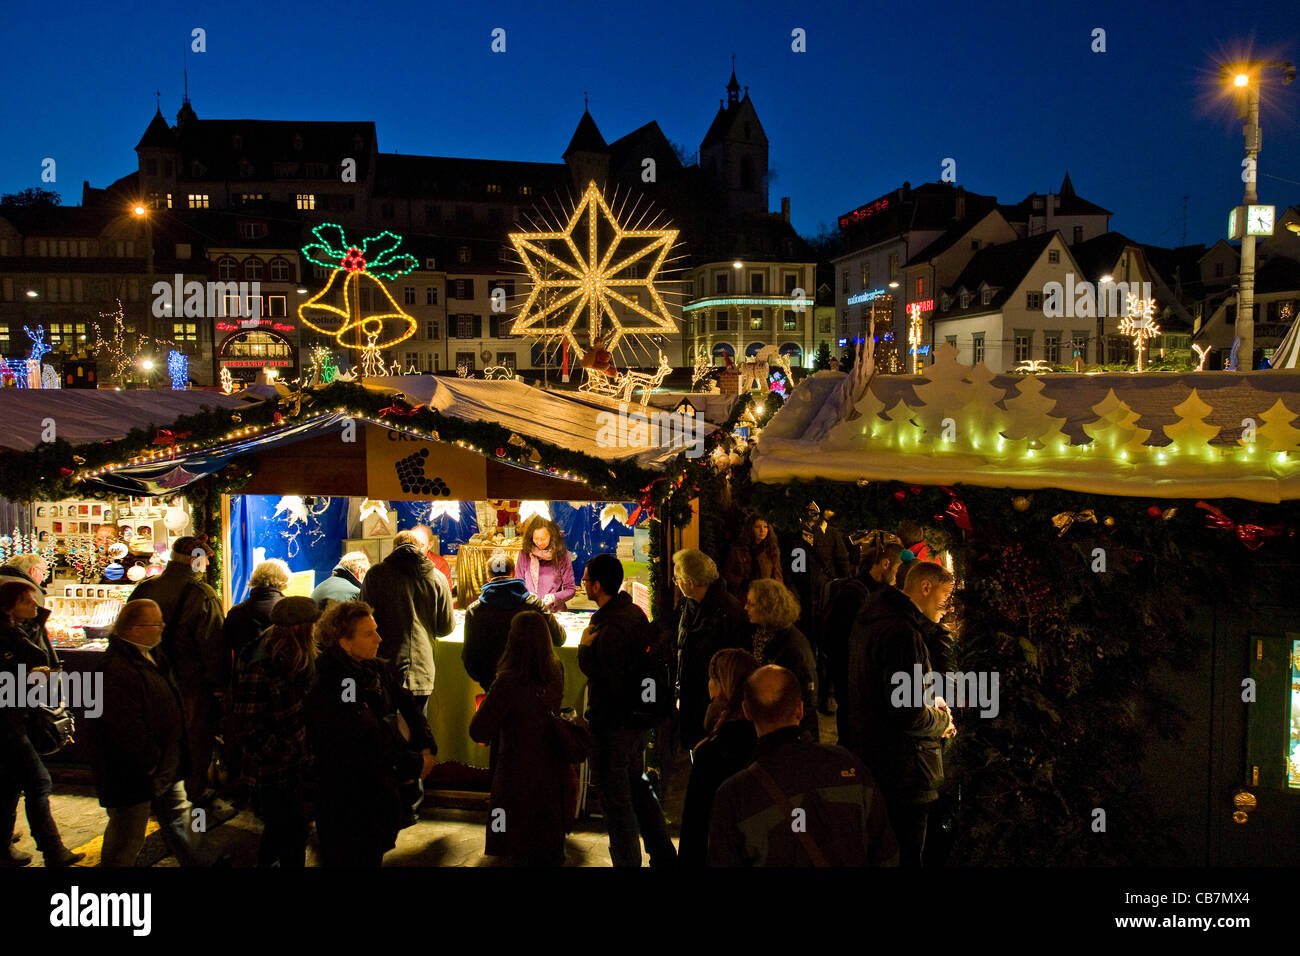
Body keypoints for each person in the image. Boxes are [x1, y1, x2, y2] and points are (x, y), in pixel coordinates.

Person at [706, 665, 898, 867]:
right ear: (799, 709)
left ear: (747, 712)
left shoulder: (734, 795)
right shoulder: (848, 764)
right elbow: (886, 852)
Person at [305, 600, 437, 867]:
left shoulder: (375, 668)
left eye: (376, 630)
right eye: (369, 633)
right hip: (348, 799)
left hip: (376, 793)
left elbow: (408, 705)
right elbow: (362, 732)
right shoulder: (341, 682)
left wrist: (426, 746)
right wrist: (412, 764)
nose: (379, 638)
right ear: (344, 642)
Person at [845, 561, 957, 868]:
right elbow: (908, 713)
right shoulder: (902, 633)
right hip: (904, 770)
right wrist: (942, 719)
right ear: (925, 587)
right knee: (906, 854)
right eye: (945, 600)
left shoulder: (873, 618)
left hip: (875, 760)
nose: (946, 610)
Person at [94, 599, 215, 867]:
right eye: (156, 622)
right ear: (135, 629)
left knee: (178, 813)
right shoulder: (115, 669)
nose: (163, 626)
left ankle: (200, 861)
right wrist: (148, 760)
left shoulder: (152, 655)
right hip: (136, 770)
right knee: (128, 832)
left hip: (164, 760)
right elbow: (123, 726)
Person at [577, 553, 676, 868]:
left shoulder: (607, 626)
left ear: (598, 586)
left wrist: (583, 650)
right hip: (635, 723)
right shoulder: (632, 612)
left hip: (613, 726)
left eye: (586, 579)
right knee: (639, 790)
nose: (583, 584)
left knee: (616, 804)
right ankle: (663, 854)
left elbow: (607, 677)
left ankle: (627, 862)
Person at [129, 535, 226, 807]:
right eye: (205, 559)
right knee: (194, 740)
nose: (206, 564)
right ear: (196, 560)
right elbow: (212, 643)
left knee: (156, 736)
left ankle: (156, 793)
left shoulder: (146, 587)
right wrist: (218, 683)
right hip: (188, 683)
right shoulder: (201, 593)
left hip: (148, 677)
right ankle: (192, 795)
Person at [468, 611, 570, 866]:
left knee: (515, 845)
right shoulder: (556, 669)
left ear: (512, 641)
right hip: (551, 769)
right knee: (546, 845)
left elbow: (478, 729)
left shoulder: (508, 680)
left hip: (515, 771)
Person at [232, 596, 320, 868]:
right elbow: (249, 728)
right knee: (291, 837)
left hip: (293, 769)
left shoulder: (299, 658)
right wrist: (291, 754)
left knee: (281, 834)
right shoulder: (263, 664)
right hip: (275, 773)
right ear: (302, 628)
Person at [0, 581, 83, 866]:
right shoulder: (7, 635)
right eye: (27, 601)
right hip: (6, 724)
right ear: (7, 607)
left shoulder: (19, 630)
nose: (35, 606)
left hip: (16, 719)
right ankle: (53, 850)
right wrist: (31, 677)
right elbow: (18, 672)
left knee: (11, 783)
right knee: (38, 781)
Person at [358, 529, 454, 716]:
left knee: (386, 730)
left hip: (384, 665)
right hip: (422, 668)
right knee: (418, 730)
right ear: (421, 549)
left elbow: (363, 619)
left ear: (394, 548)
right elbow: (445, 627)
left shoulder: (376, 575)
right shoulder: (438, 577)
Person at [677, 648, 758, 867]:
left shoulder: (712, 751)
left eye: (711, 678)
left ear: (721, 686)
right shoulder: (763, 738)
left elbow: (695, 826)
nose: (708, 684)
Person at [823, 540, 904, 748]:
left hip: (856, 673)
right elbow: (839, 639)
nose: (896, 577)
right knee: (851, 729)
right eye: (896, 569)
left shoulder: (874, 592)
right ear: (885, 564)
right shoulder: (854, 594)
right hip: (849, 673)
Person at [672, 548, 748, 751]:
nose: (676, 583)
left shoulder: (728, 613)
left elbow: (734, 665)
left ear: (690, 582)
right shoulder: (687, 604)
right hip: (692, 695)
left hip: (713, 702)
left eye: (677, 578)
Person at [462, 550, 563, 690]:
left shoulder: (474, 610)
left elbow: (469, 658)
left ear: (488, 576)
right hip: (530, 686)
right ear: (513, 573)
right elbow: (560, 638)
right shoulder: (533, 603)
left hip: (492, 685)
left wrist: (488, 680)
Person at [787, 502, 850, 714]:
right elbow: (793, 568)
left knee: (828, 648)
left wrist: (839, 592)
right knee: (807, 647)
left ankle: (828, 693)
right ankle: (810, 693)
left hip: (827, 598)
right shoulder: (795, 537)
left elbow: (843, 564)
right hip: (804, 599)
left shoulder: (831, 534)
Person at [744, 579, 818, 741]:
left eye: (751, 603)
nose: (746, 607)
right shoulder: (760, 634)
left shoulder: (793, 646)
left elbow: (807, 697)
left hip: (786, 730)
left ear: (767, 608)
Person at [223, 559, 288, 668]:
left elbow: (225, 650)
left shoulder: (235, 613)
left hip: (244, 678)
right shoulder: (288, 611)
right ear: (284, 580)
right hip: (279, 678)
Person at [516, 515, 576, 611]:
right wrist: (526, 596)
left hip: (554, 612)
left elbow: (571, 589)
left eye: (543, 539)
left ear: (552, 536)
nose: (539, 542)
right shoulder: (525, 553)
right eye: (536, 538)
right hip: (529, 611)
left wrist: (553, 597)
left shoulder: (561, 555)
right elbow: (518, 585)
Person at [722, 514, 782, 599]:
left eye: (765, 527)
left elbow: (777, 576)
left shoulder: (772, 550)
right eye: (758, 527)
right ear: (751, 529)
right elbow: (726, 572)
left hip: (764, 596)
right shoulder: (738, 549)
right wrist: (742, 582)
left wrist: (778, 596)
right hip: (742, 596)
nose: (762, 530)